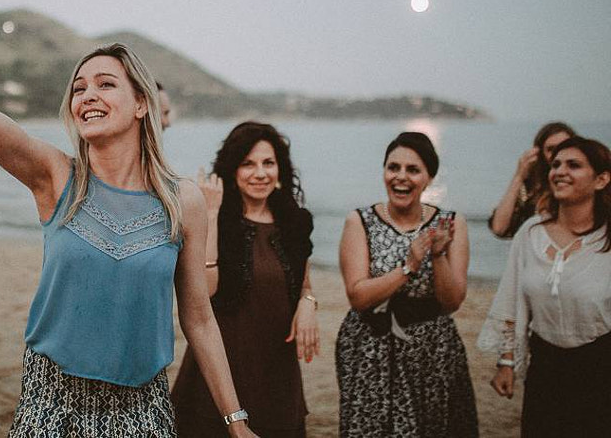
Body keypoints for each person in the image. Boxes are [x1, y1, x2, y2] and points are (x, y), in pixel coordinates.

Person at [0, 0, 258, 437]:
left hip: (142, 411)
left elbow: (199, 320)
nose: (88, 95)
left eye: (105, 84)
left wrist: (236, 420)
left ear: (142, 104)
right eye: (79, 87)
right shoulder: (57, 178)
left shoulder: (181, 200)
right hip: (52, 404)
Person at [171, 122, 317, 437]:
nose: (260, 173)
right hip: (223, 367)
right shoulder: (217, 218)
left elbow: (304, 284)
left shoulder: (294, 221)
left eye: (268, 163)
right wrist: (210, 212)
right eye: (248, 164)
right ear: (232, 170)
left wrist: (308, 304)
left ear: (281, 168)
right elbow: (206, 290)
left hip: (277, 371)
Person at [335, 132, 478, 437]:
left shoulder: (451, 223)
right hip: (370, 347)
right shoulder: (359, 221)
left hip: (432, 349)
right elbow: (358, 297)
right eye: (393, 167)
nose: (401, 177)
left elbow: (452, 301)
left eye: (413, 170)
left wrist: (438, 255)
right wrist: (409, 266)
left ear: (428, 178)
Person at [479, 136, 611, 437]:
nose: (560, 171)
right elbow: (513, 300)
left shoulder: (607, 239)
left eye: (573, 165)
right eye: (555, 165)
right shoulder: (531, 233)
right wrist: (507, 361)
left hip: (601, 366)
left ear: (601, 179)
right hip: (545, 368)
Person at [489, 122, 576, 238]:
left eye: (564, 147)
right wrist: (519, 176)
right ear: (540, 154)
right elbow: (499, 228)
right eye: (551, 149)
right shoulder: (531, 188)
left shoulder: (583, 183)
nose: (558, 154)